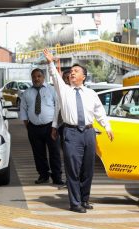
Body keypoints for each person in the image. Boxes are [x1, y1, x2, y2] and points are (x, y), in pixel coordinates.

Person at [43, 48, 114, 213]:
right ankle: (75, 203)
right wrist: (50, 62)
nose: (72, 73)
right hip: (72, 133)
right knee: (73, 169)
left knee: (87, 169)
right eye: (71, 71)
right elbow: (54, 75)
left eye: (76, 71)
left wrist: (107, 127)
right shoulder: (64, 91)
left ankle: (84, 199)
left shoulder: (91, 93)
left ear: (83, 76)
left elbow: (99, 112)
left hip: (89, 133)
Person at [20, 68, 64, 185]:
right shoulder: (27, 93)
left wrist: (55, 126)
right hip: (33, 128)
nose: (36, 79)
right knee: (38, 153)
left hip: (51, 127)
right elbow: (23, 110)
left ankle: (57, 177)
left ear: (43, 77)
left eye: (39, 76)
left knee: (54, 152)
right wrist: (28, 126)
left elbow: (58, 109)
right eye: (34, 77)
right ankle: (43, 175)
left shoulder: (52, 90)